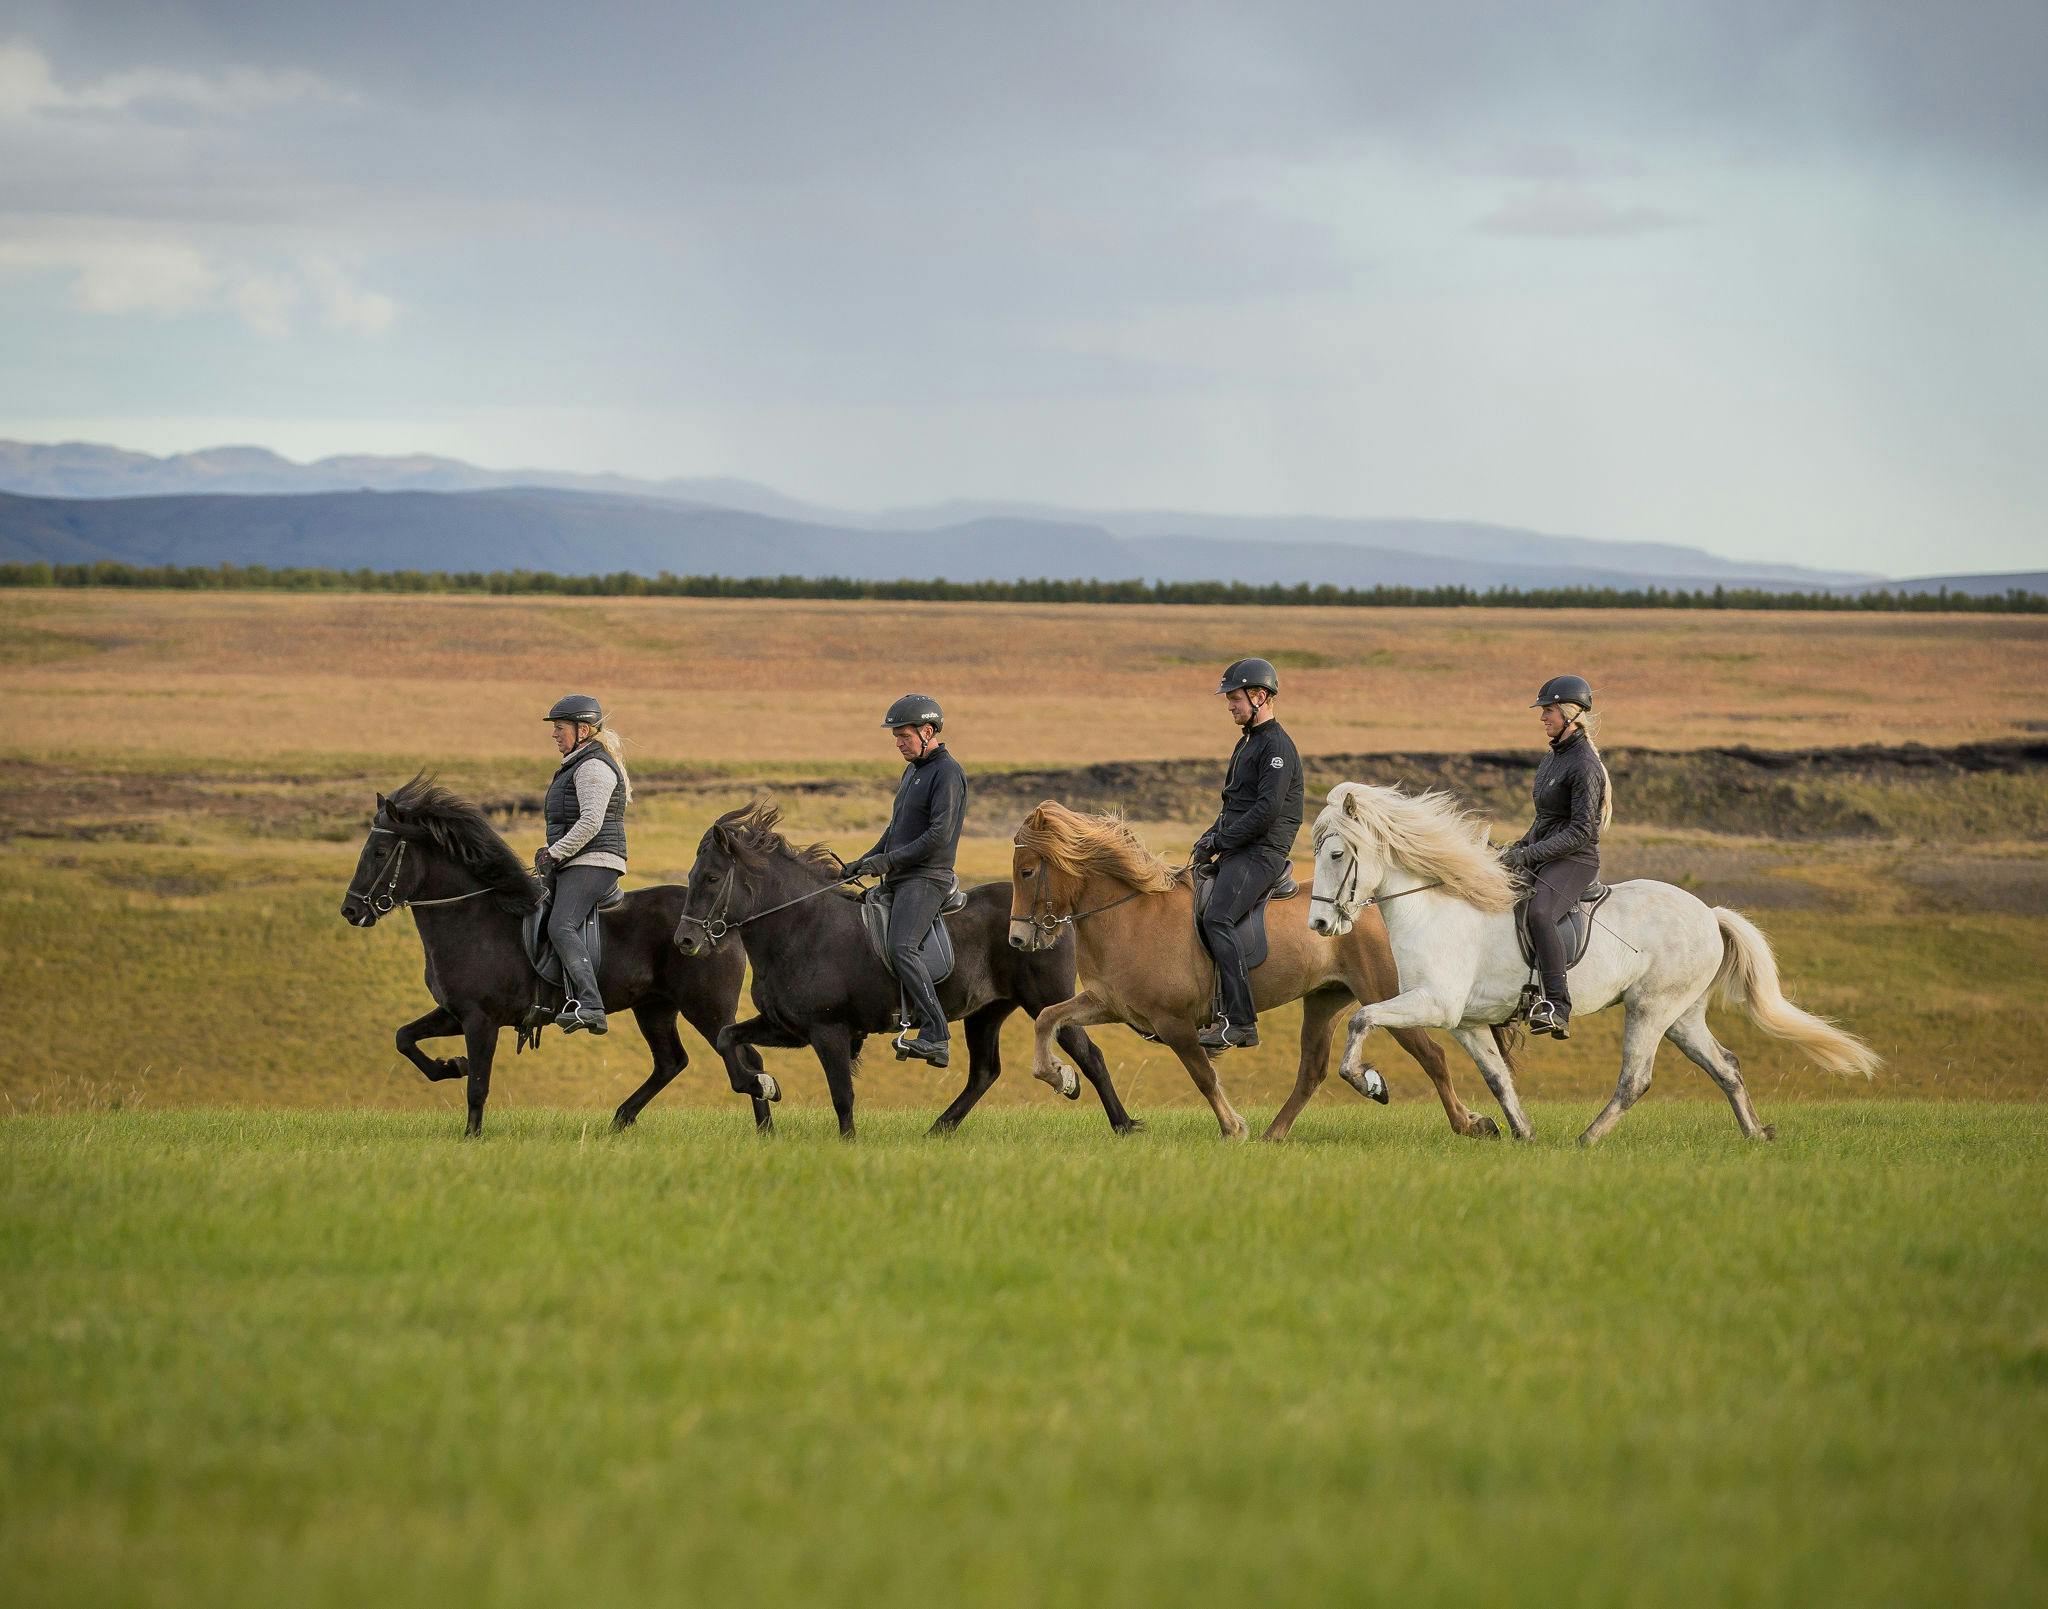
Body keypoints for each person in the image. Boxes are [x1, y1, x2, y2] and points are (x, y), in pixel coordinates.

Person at [846, 694, 968, 1068]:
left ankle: (936, 1034)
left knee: (902, 947)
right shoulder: (913, 770)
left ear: (928, 731)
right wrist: (864, 861)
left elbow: (937, 836)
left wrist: (887, 861)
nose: (898, 743)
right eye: (895, 737)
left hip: (927, 878)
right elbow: (896, 829)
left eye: (903, 736)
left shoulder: (947, 772)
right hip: (900, 875)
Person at [1189, 658, 1303, 1050]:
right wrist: (1209, 837)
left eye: (1235, 698)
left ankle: (1240, 1023)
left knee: (1219, 917)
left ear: (1259, 696)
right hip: (1239, 845)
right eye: (1229, 699)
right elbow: (1234, 805)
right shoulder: (1247, 742)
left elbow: (1265, 812)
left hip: (1262, 851)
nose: (1230, 706)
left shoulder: (1276, 747)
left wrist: (1222, 842)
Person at [1500, 674, 1613, 1039]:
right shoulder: (1552, 759)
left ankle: (1557, 1005)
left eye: (1547, 710)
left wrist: (1531, 854)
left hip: (1576, 859)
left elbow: (1583, 831)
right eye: (1543, 711)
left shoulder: (1584, 765)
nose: (1542, 717)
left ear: (1569, 713)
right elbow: (1545, 821)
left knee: (1540, 912)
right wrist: (1514, 850)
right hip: (1547, 852)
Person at [534, 693, 632, 1035]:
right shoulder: (576, 764)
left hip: (595, 860)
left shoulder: (592, 766)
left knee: (560, 925)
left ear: (584, 730)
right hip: (575, 858)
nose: (554, 734)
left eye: (560, 728)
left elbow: (590, 822)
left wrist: (556, 851)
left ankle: (591, 1005)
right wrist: (550, 850)